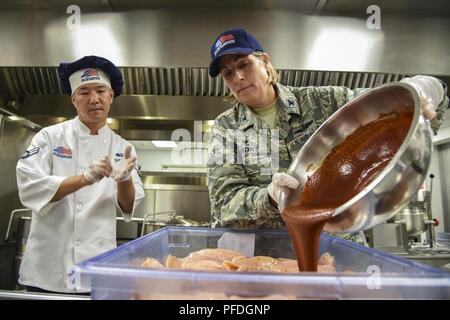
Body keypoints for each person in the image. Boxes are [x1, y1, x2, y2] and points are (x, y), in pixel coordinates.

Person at [206, 27, 449, 243]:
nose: (237, 77)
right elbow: (224, 205)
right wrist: (268, 197)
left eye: (243, 64)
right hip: (270, 257)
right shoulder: (227, 129)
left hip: (340, 247)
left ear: (265, 61)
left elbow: (393, 108)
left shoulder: (325, 100)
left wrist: (426, 88)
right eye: (228, 73)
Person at [16, 55, 145, 293]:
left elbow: (128, 206)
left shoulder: (122, 147)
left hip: (97, 271)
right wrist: (84, 179)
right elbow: (30, 186)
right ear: (74, 99)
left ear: (111, 96)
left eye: (100, 90)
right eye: (84, 92)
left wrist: (124, 180)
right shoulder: (49, 137)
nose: (94, 99)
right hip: (47, 272)